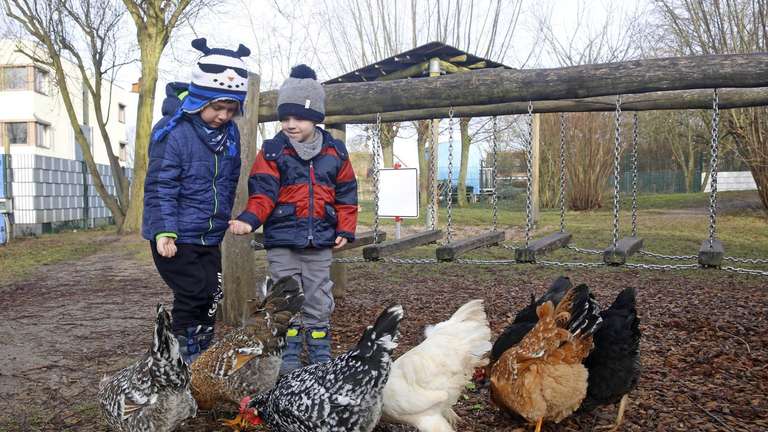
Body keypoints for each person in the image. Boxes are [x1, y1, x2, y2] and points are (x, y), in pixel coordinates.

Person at [230, 64, 358, 374]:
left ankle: (318, 352)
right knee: (285, 297)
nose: (290, 124)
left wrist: (345, 227)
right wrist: (249, 219)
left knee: (318, 297)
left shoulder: (335, 152)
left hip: (319, 242)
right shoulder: (273, 152)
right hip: (283, 241)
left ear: (315, 118)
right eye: (284, 118)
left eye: (298, 117)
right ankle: (286, 355)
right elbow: (262, 191)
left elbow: (347, 193)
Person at [142, 37, 250, 364]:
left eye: (231, 110)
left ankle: (201, 349)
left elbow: (228, 180)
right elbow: (161, 183)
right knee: (192, 293)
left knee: (211, 294)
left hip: (208, 233)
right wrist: (164, 231)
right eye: (217, 107)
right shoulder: (173, 131)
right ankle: (179, 358)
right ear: (199, 100)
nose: (223, 115)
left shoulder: (229, 134)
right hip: (176, 234)